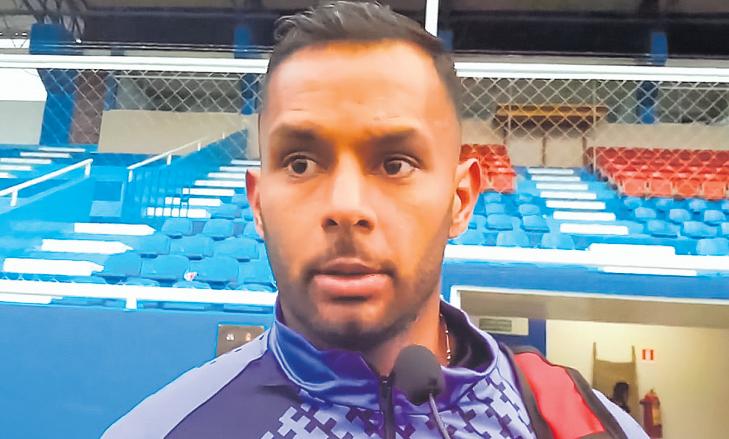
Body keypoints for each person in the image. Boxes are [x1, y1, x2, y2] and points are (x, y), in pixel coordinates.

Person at [103, 2, 648, 438]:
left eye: (395, 163)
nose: (346, 206)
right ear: (259, 203)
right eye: (300, 162)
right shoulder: (167, 430)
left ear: (460, 199)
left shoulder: (585, 424)